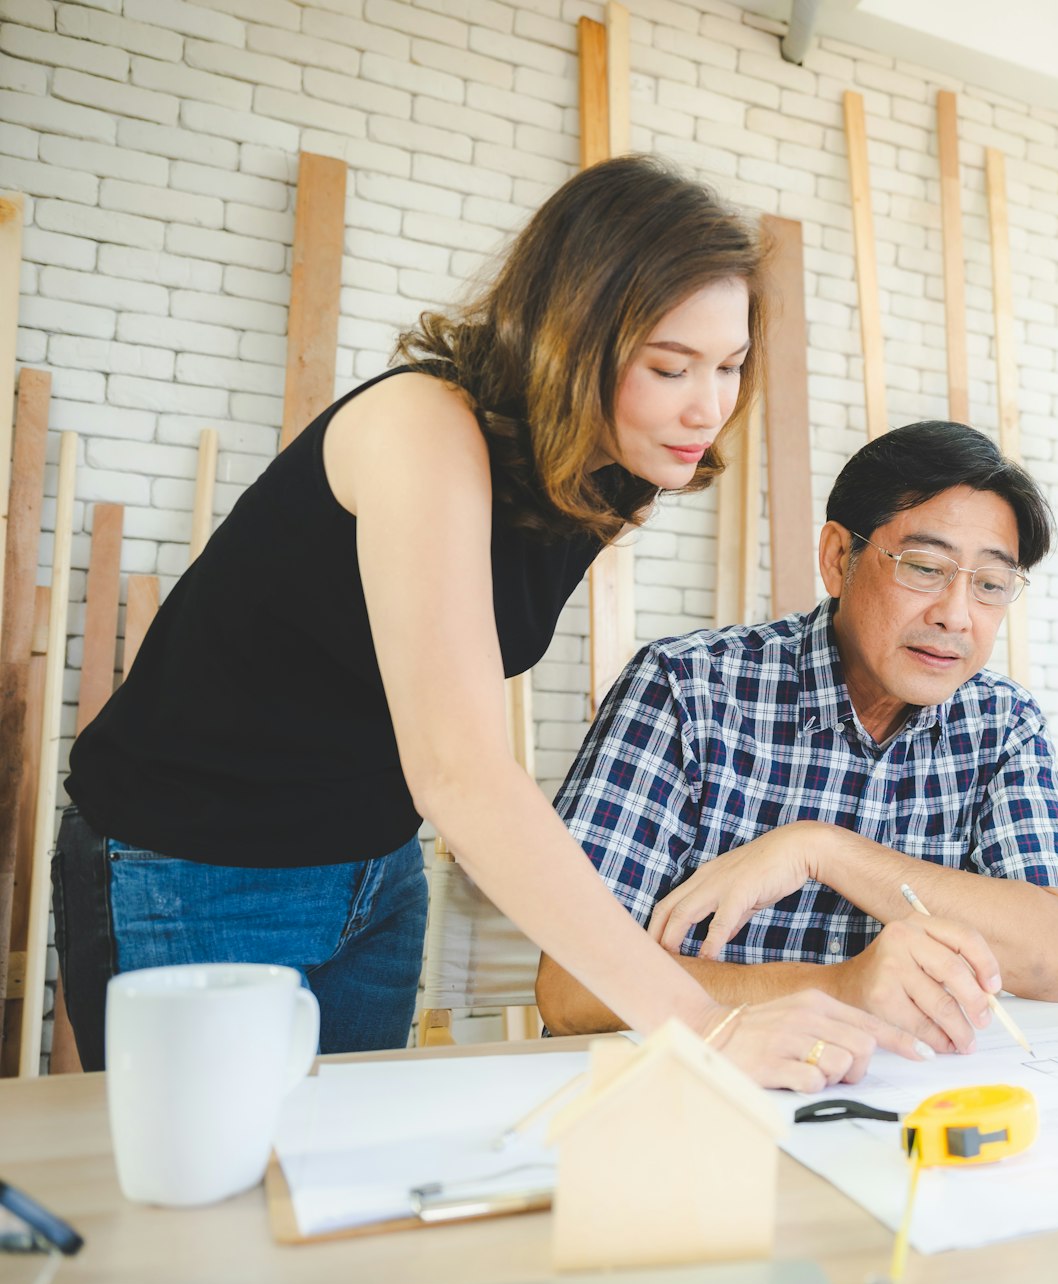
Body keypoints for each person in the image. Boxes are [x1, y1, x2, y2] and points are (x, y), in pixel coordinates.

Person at [54, 156, 911, 1090]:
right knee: (209, 1204)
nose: (708, 407)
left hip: (372, 870)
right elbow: (460, 771)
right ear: (572, 339)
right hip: (192, 864)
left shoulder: (610, 467)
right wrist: (701, 1022)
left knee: (343, 1182)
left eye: (731, 366)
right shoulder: (418, 426)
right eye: (669, 366)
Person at [536, 423, 1058, 1048]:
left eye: (990, 585)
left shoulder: (1001, 723)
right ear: (837, 558)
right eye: (925, 568)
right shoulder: (688, 690)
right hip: (693, 1103)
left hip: (892, 1101)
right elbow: (571, 990)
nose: (956, 615)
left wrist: (820, 851)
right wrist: (842, 986)